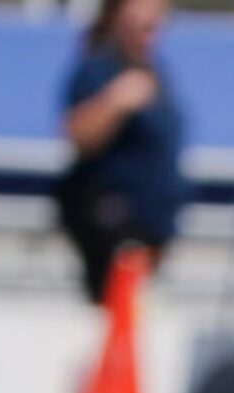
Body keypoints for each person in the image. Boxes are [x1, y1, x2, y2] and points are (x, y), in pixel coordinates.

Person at [55, 0, 183, 305]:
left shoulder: (156, 71)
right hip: (113, 231)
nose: (151, 16)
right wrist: (114, 102)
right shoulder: (99, 69)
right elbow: (77, 134)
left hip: (152, 231)